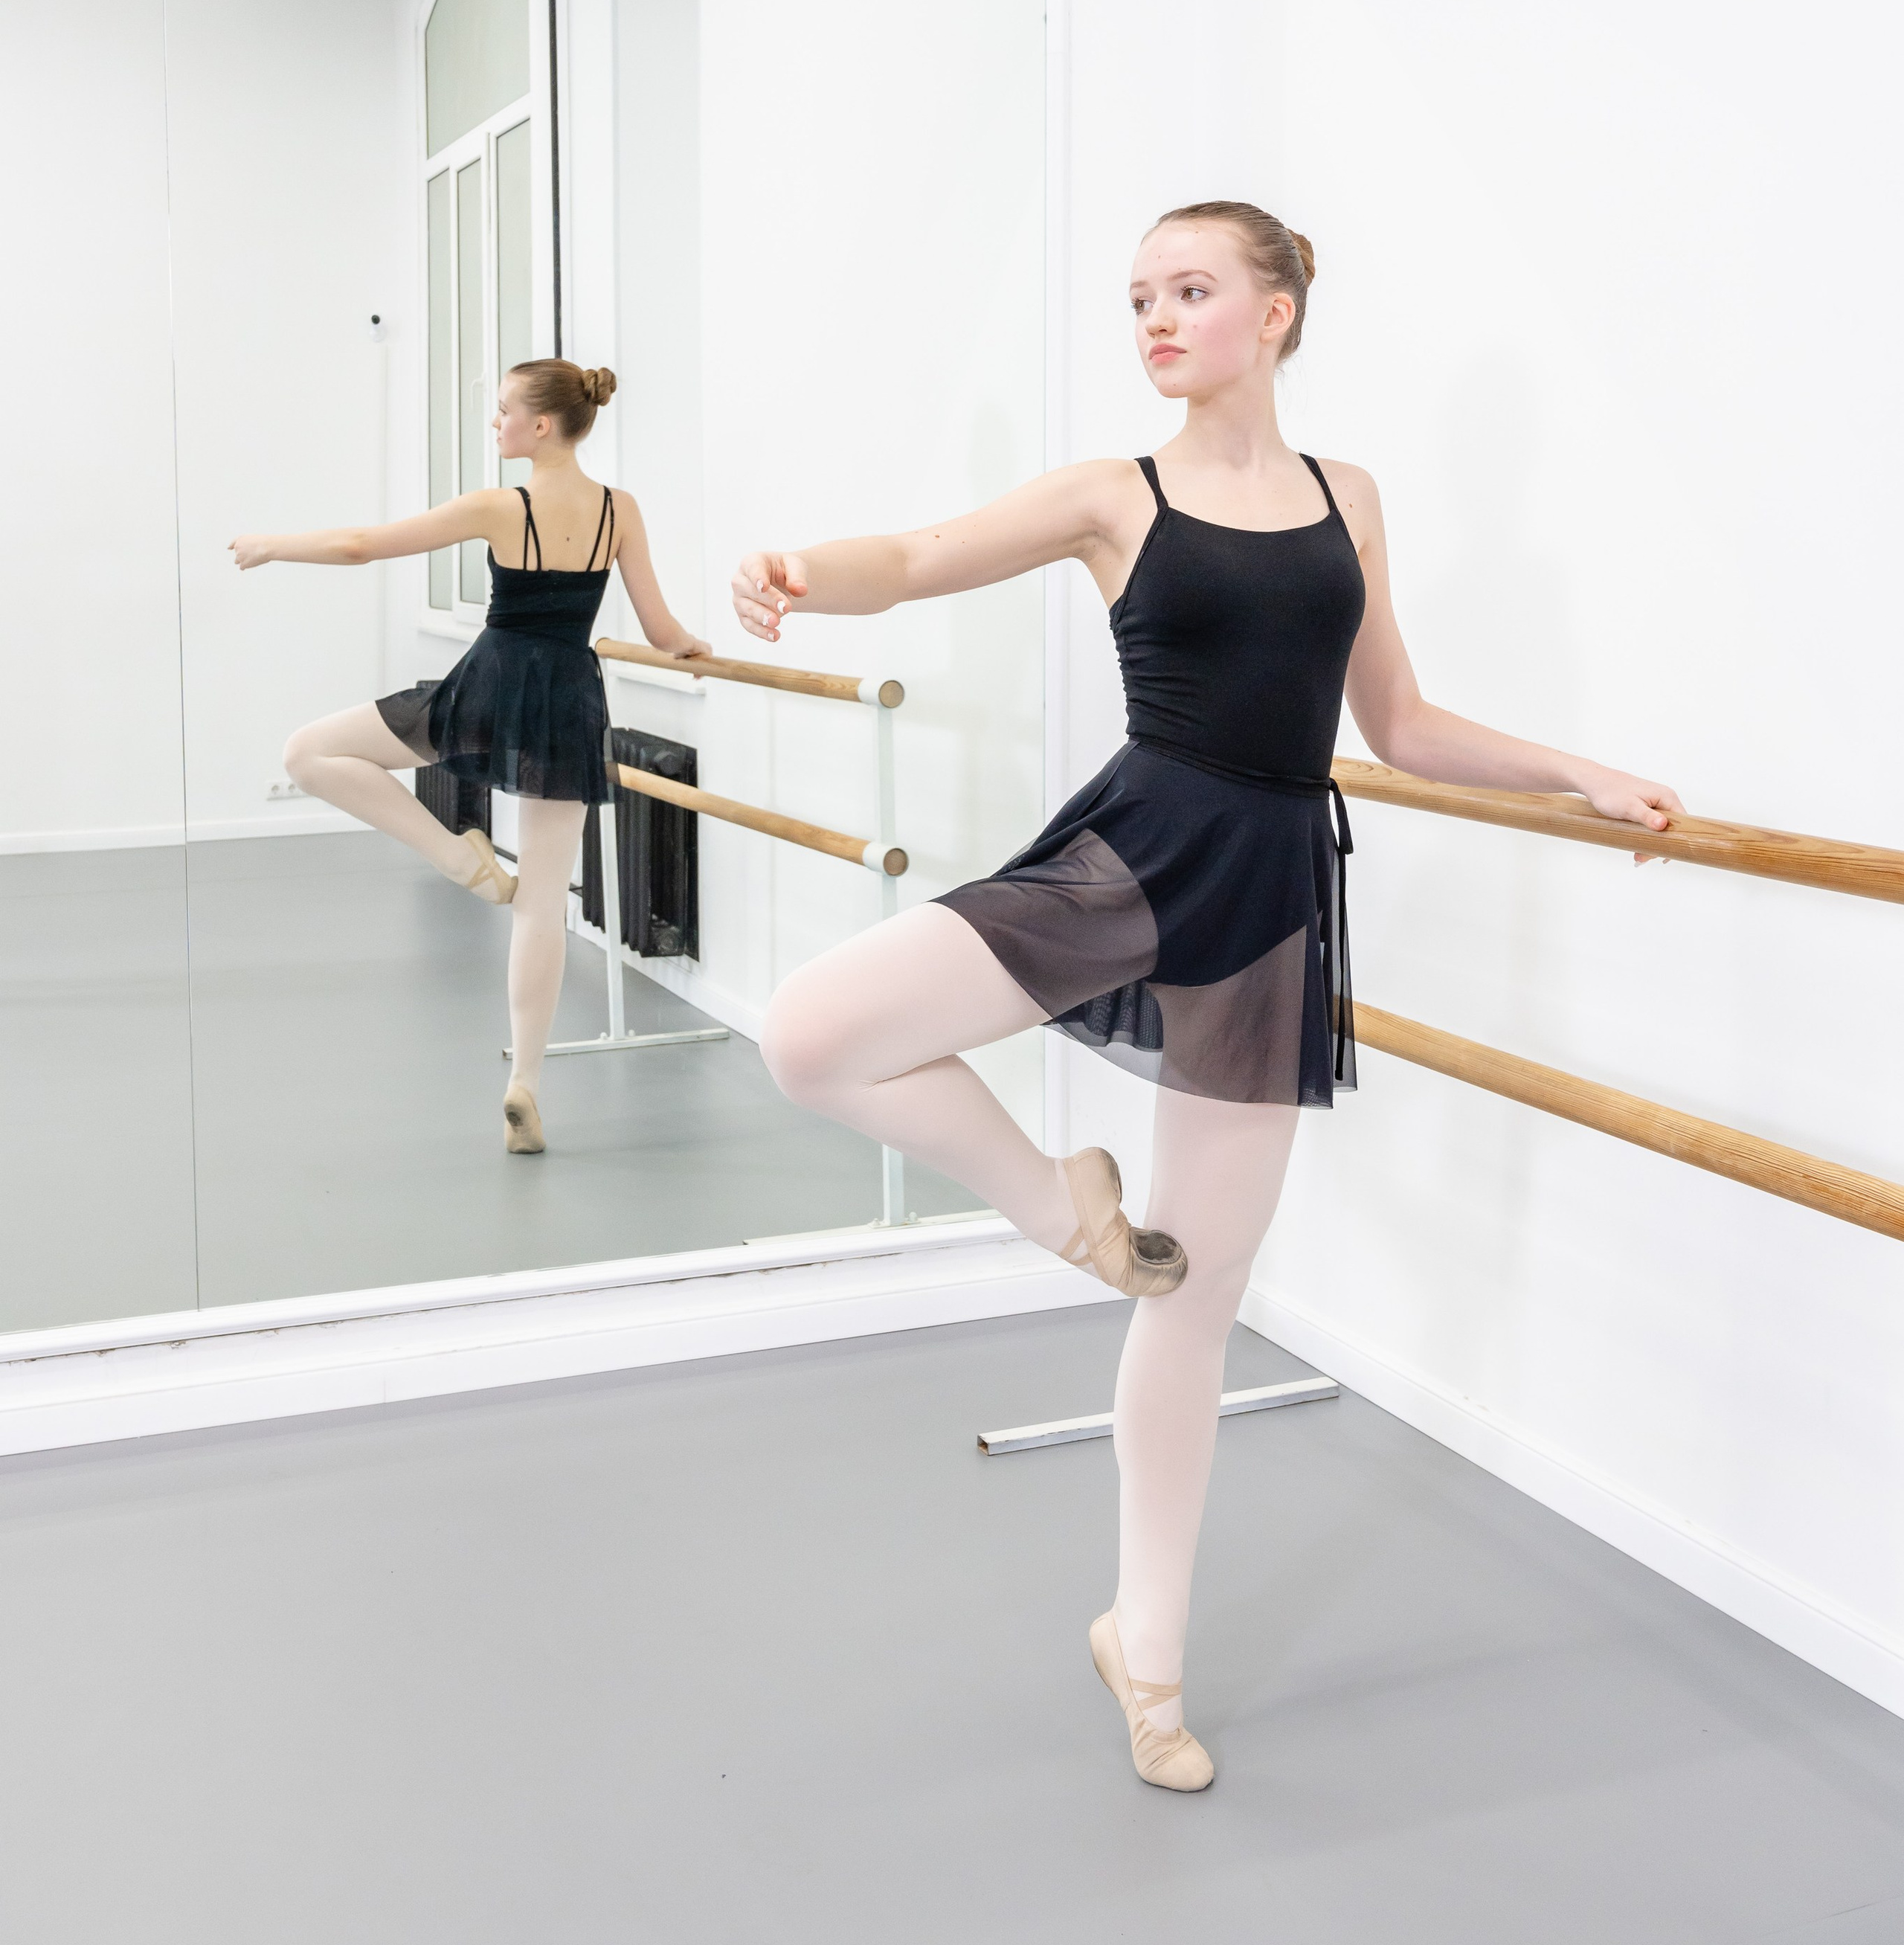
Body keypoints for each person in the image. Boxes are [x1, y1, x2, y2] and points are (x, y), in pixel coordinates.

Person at [732, 201, 1679, 1793]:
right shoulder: (1120, 491)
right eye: (1138, 299)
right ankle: (1060, 1207)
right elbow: (918, 555)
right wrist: (797, 572)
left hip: (1268, 890)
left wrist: (1576, 777)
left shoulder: (1345, 499)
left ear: (1278, 311)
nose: (1155, 320)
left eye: (1188, 291)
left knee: (1196, 1302)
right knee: (812, 1030)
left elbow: (1397, 723)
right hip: (1134, 841)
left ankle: (1146, 1654)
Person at [232, 359, 707, 1152]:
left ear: (542, 426)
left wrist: (272, 544)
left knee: (309, 752)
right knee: (543, 901)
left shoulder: (501, 506)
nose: (496, 425)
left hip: (489, 687)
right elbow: (663, 630)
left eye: (502, 413)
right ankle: (524, 1080)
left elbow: (359, 545)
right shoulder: (618, 511)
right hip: (566, 699)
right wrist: (692, 648)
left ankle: (461, 861)